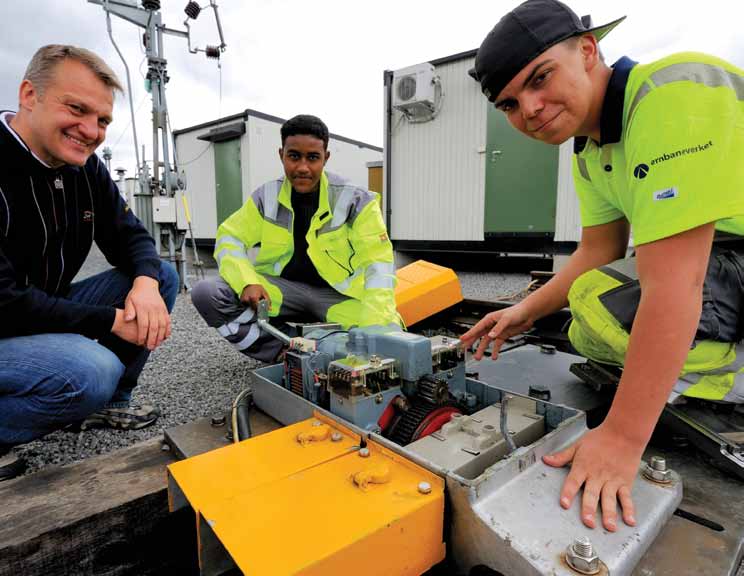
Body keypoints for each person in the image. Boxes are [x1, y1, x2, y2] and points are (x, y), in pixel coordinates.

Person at [463, 0, 744, 532]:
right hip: (729, 252)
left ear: (588, 51)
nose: (529, 109)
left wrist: (621, 438)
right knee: (588, 309)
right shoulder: (592, 149)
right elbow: (599, 252)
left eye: (540, 78)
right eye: (509, 104)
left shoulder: (668, 98)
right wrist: (522, 311)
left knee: (599, 307)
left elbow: (675, 285)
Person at [0, 45, 179, 481]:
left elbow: (131, 235)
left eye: (102, 120)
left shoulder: (84, 168)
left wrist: (144, 284)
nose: (91, 130)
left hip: (38, 307)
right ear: (29, 94)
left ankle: (113, 403)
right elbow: (2, 300)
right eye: (76, 109)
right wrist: (108, 320)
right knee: (90, 370)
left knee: (162, 277)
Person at [192, 114, 400, 362]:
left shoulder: (354, 199)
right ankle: (284, 352)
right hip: (282, 293)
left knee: (388, 342)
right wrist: (246, 281)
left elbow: (379, 264)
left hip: (339, 297)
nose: (303, 167)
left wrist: (375, 328)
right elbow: (229, 237)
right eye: (294, 156)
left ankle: (324, 349)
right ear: (281, 155)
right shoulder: (265, 198)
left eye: (313, 157)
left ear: (326, 158)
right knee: (208, 292)